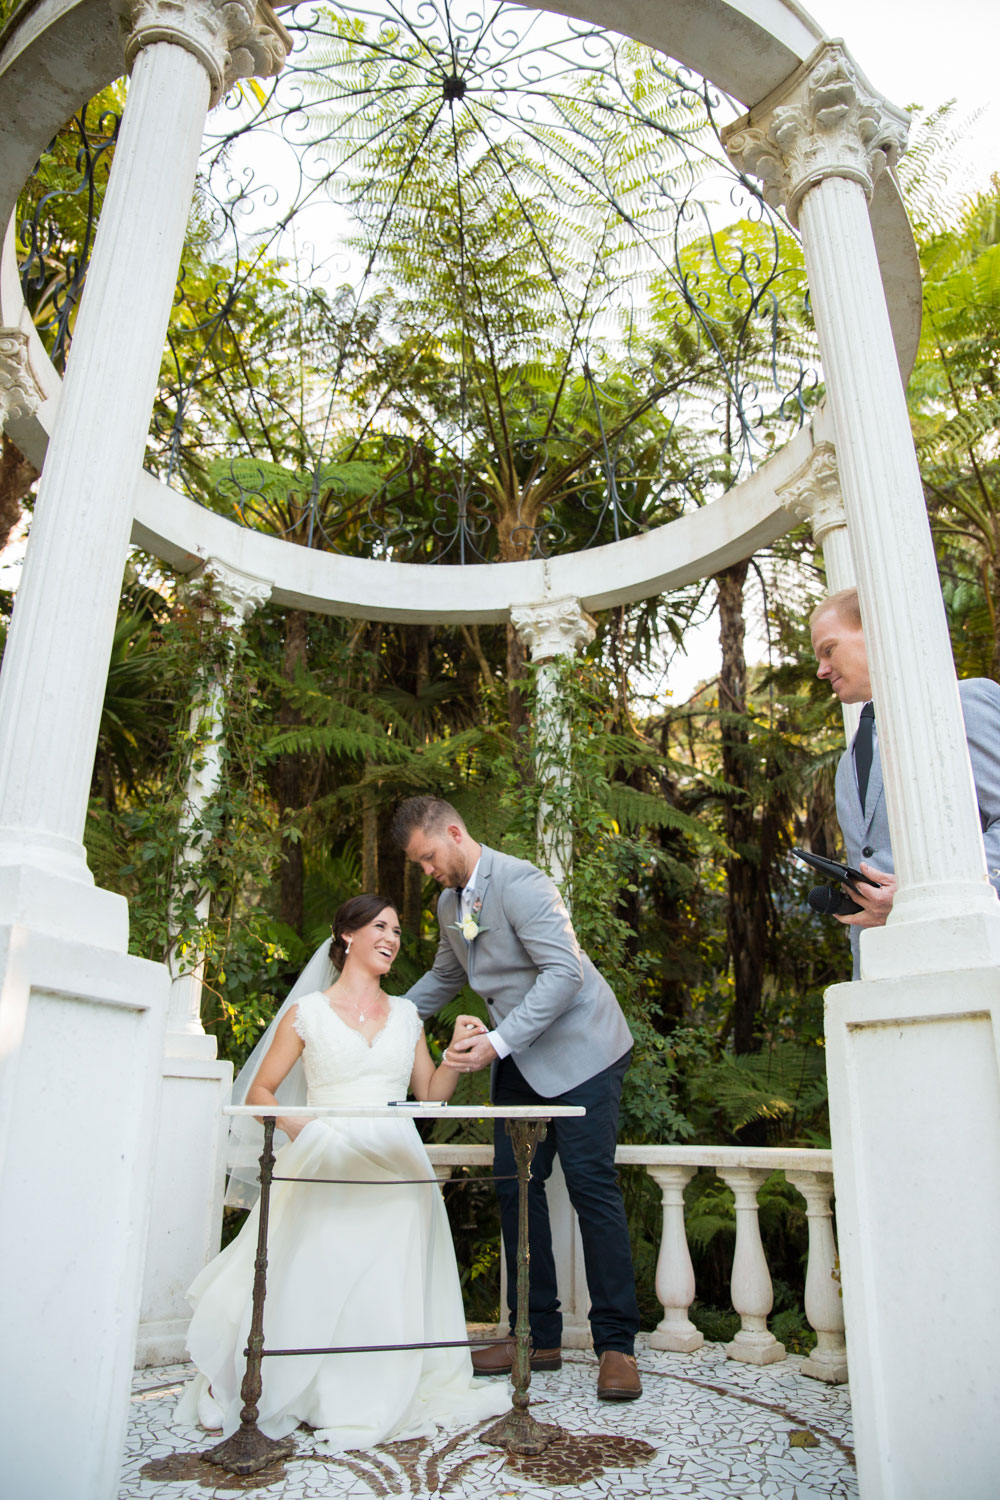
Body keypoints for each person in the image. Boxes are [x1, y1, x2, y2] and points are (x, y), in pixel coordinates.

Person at [175, 894, 509, 1451]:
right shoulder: (306, 1013)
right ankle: (301, 1382)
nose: (392, 937)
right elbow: (261, 1091)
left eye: (398, 930)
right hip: (324, 1154)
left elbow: (428, 1096)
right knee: (314, 1272)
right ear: (346, 935)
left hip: (398, 1165)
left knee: (385, 1282)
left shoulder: (406, 1015)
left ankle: (374, 1386)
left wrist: (453, 1054)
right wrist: (313, 1134)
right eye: (380, 926)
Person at [390, 795, 642, 1402]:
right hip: (521, 1059)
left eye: (428, 858)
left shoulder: (523, 882)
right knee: (515, 1189)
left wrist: (499, 1041)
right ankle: (535, 1336)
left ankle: (617, 1346)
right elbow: (449, 977)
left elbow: (565, 973)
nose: (427, 872)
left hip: (584, 1053)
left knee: (590, 1187)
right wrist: (386, 1016)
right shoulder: (453, 903)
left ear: (454, 832)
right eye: (419, 865)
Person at [811, 587, 1000, 975]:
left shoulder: (962, 704)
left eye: (829, 650)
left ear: (876, 631)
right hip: (883, 975)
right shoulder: (848, 762)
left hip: (974, 958)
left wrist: (925, 893)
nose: (822, 670)